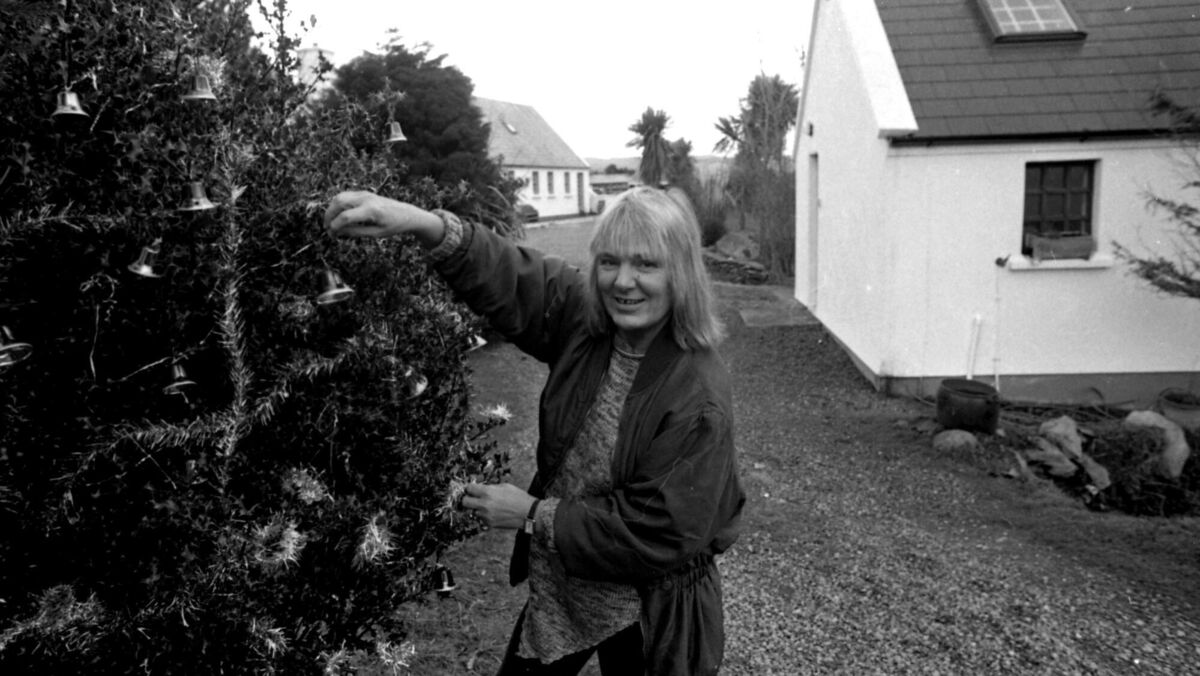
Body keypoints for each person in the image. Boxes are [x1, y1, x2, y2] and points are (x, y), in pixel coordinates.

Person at [324, 186, 745, 676]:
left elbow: (654, 532)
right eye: (609, 261)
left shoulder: (697, 398)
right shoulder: (589, 323)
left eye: (646, 264)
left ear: (681, 272)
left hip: (649, 607)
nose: (622, 282)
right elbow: (517, 278)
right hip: (564, 584)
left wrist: (529, 515)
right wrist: (423, 223)